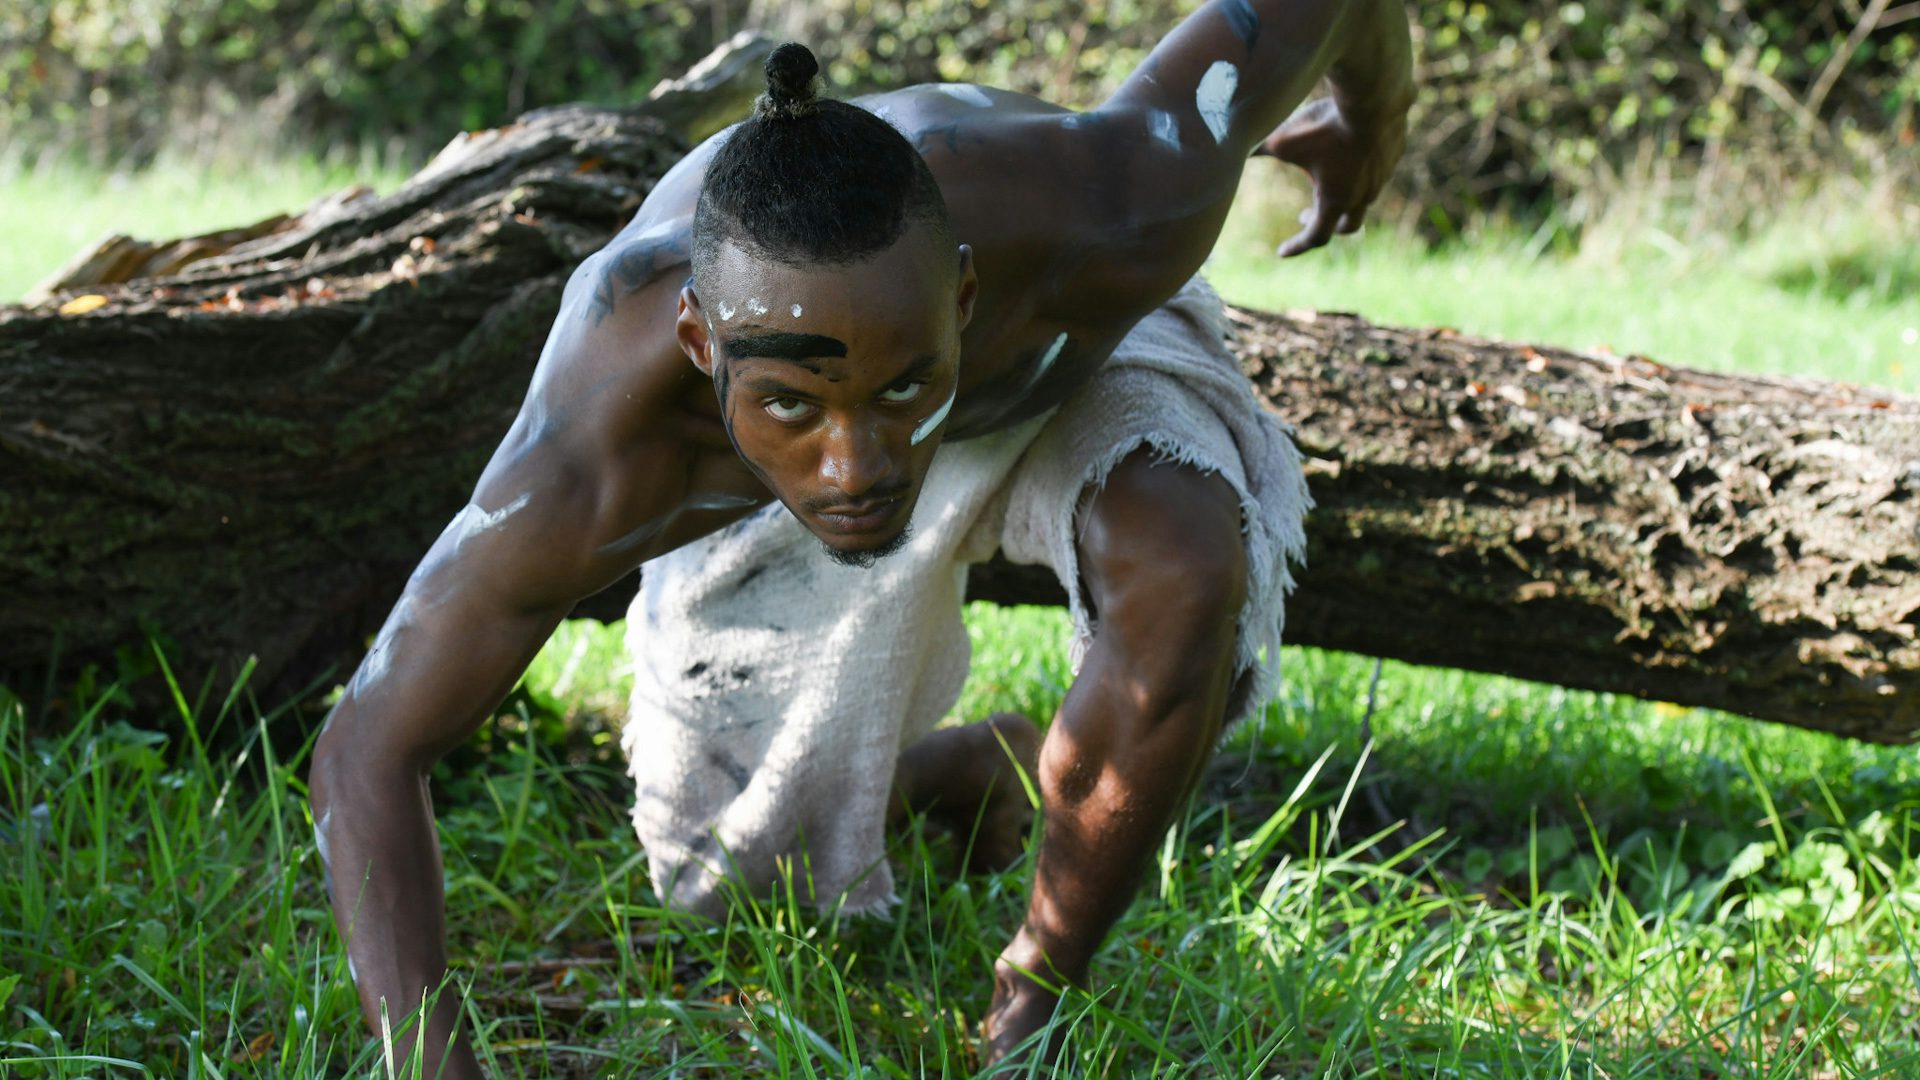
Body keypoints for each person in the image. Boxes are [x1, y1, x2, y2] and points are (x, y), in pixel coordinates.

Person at [309, 1, 1413, 1072]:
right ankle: (984, 769)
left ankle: (1035, 1001)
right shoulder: (595, 452)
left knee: (1184, 567)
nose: (858, 465)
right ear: (700, 341)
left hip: (1064, 365)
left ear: (963, 295)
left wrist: (1374, 117)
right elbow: (368, 747)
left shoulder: (1118, 196)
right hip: (780, 453)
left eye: (900, 386)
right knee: (734, 882)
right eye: (795, 404)